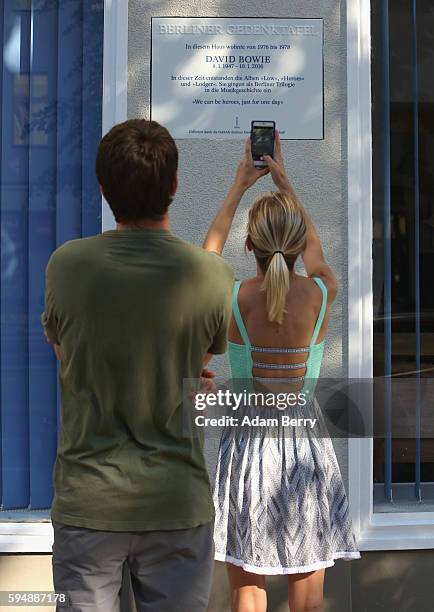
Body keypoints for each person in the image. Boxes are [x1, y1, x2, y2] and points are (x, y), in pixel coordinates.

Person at [41, 119, 265, 612]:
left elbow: (67, 353)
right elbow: (195, 357)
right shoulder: (211, 275)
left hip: (88, 505)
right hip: (175, 503)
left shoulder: (67, 265)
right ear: (175, 185)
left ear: (103, 187)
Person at [203, 132, 360, 612]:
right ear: (294, 244)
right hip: (305, 448)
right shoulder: (320, 291)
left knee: (247, 596)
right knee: (307, 600)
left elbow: (205, 260)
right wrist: (287, 182)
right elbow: (314, 254)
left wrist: (237, 188)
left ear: (248, 242)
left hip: (249, 446)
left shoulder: (232, 296)